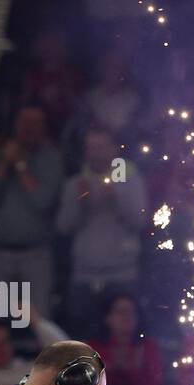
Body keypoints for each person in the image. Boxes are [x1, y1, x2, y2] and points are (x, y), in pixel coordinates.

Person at [56, 128, 147, 337]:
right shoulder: (77, 183)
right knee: (81, 339)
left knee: (123, 340)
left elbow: (139, 221)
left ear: (113, 149)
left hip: (122, 274)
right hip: (84, 275)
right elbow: (63, 226)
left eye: (101, 147)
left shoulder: (130, 180)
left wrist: (117, 195)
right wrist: (80, 202)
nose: (95, 152)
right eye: (91, 148)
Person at [0, 106, 63, 317]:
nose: (29, 129)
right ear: (15, 125)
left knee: (39, 319)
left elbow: (42, 201)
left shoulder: (51, 159)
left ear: (43, 128)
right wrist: (5, 163)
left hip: (36, 254)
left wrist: (21, 165)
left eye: (35, 123)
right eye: (25, 122)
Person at [87, 293, 164, 385]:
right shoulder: (94, 348)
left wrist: (125, 372)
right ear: (107, 317)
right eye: (121, 312)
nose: (127, 317)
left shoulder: (147, 347)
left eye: (131, 312)